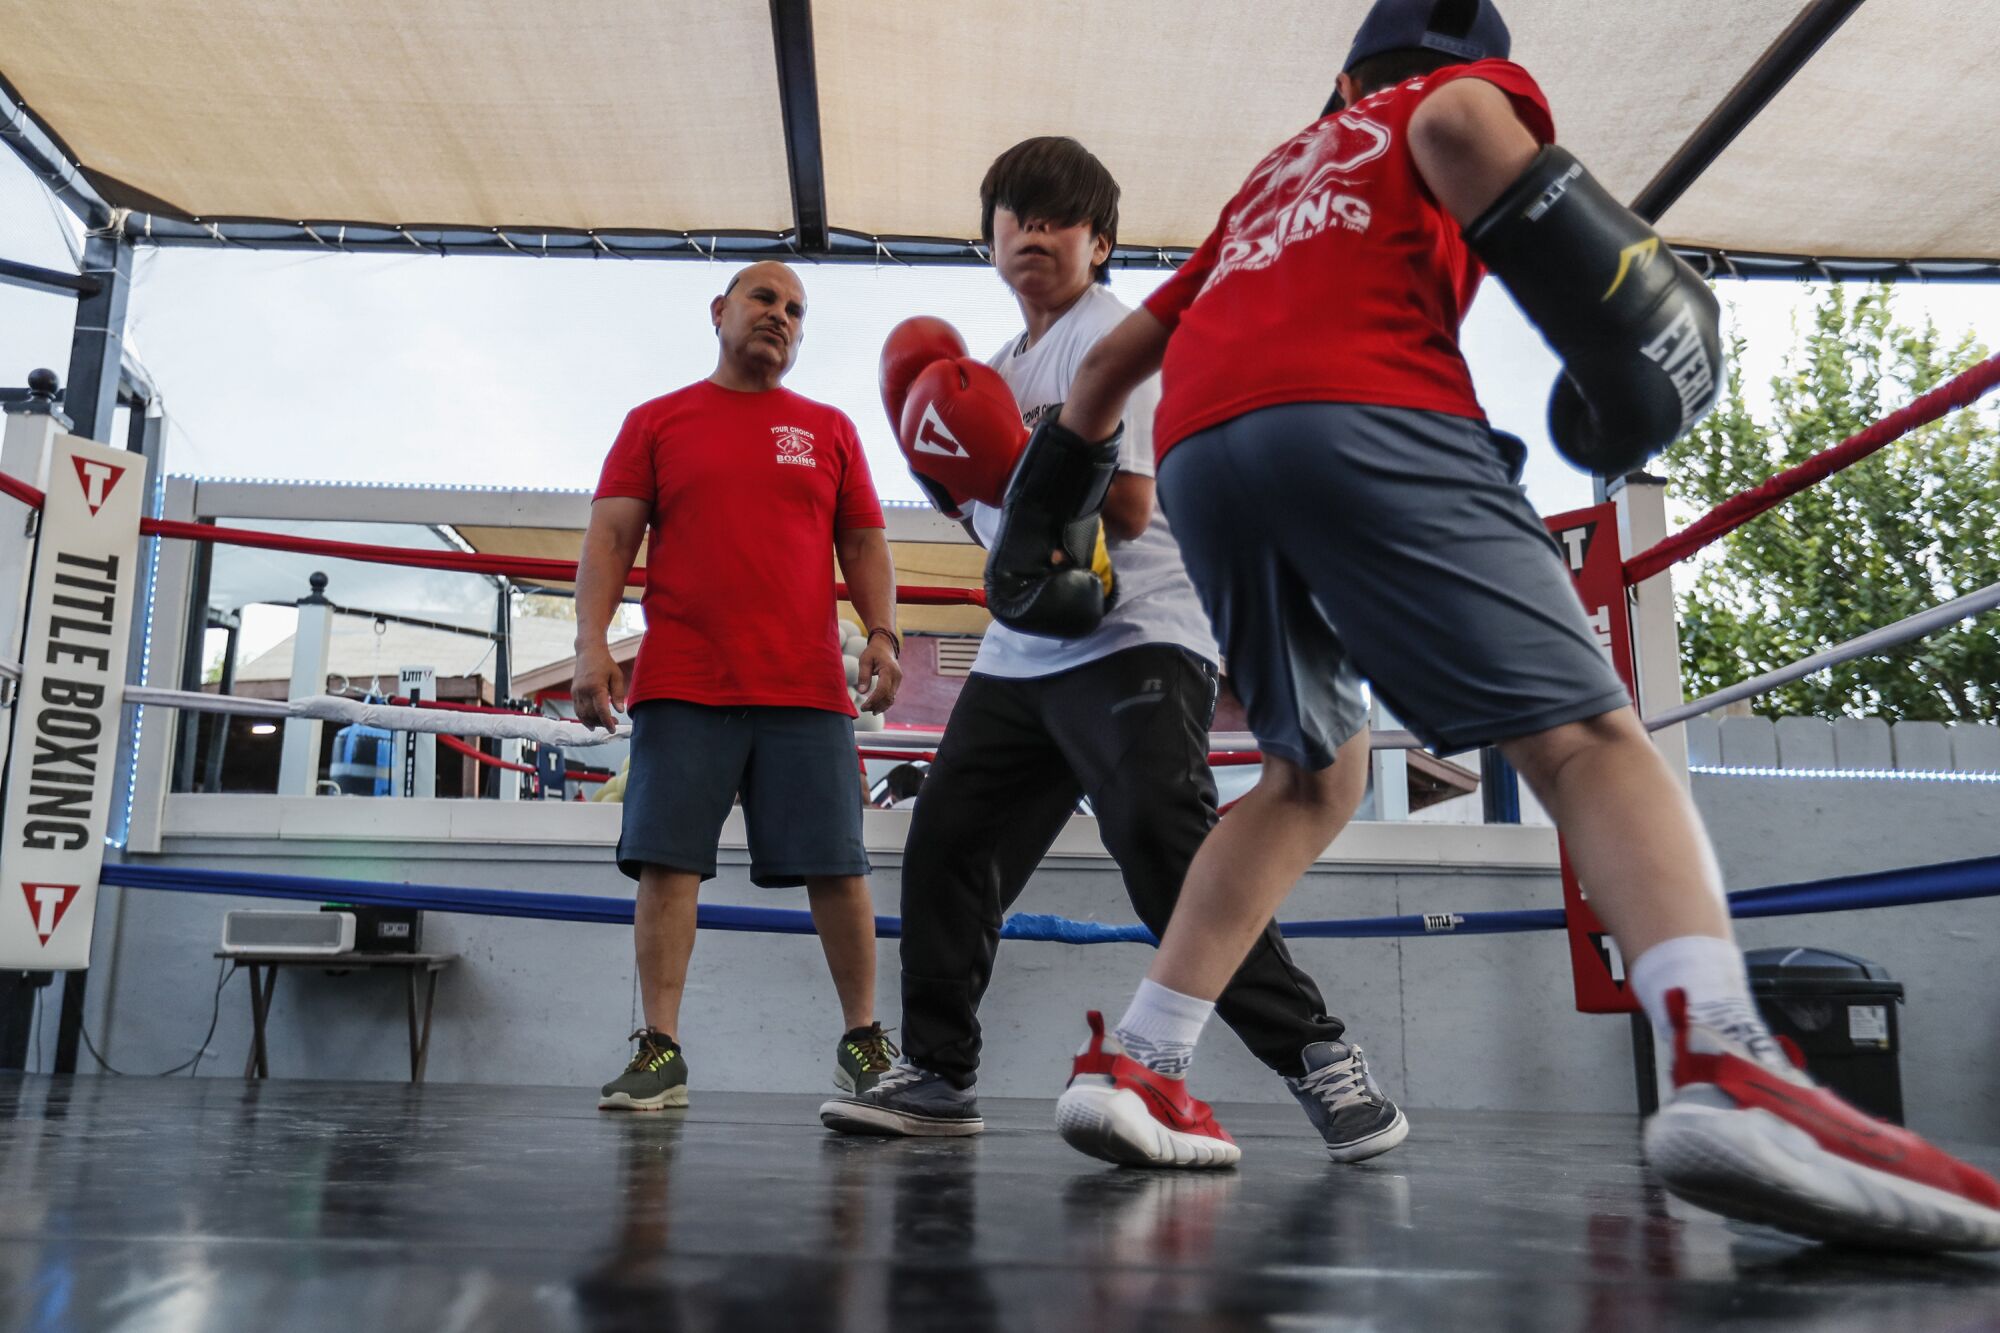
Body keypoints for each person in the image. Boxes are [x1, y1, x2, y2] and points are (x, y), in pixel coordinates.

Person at [1035, 0, 2000, 1250]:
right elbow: (1451, 120)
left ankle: (1143, 1057)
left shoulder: (1272, 177)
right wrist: (1634, 299)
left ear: (1338, 76)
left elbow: (1109, 374)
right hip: (1360, 407)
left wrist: (1043, 517)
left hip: (1209, 452)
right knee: (1590, 738)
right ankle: (1728, 1055)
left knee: (1306, 777)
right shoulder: (1449, 100)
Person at [818, 137, 1405, 1165]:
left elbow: (1127, 510)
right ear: (990, 238)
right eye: (1016, 216)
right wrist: (956, 478)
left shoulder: (1122, 341)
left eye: (1059, 218)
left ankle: (1318, 1056)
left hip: (1137, 631)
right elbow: (1006, 552)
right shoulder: (992, 373)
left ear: (1098, 240)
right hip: (1020, 654)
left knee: (1160, 841)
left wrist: (1008, 466)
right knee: (948, 840)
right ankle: (939, 1074)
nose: (1034, 233)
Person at [574, 260, 906, 1112]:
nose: (781, 316)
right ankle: (661, 1047)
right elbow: (611, 539)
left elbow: (865, 543)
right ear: (719, 310)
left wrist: (883, 633)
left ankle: (864, 1041)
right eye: (764, 299)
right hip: (686, 677)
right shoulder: (656, 420)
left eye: (797, 309)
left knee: (840, 866)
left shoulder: (828, 427)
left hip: (804, 683)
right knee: (666, 864)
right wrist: (588, 646)